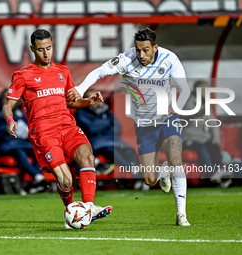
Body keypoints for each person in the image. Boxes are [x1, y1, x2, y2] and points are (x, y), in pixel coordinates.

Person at [67, 28, 191, 226]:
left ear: (155, 48)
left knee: (176, 158)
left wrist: (177, 107)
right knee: (150, 180)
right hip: (144, 125)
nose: (141, 55)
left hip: (168, 118)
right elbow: (100, 71)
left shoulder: (169, 58)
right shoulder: (126, 60)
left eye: (145, 50)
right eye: (138, 50)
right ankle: (163, 170)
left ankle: (181, 215)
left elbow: (185, 89)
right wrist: (81, 89)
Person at [2, 29, 113, 227]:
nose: (46, 54)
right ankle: (70, 211)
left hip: (66, 125)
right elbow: (7, 104)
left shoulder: (63, 71)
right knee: (66, 180)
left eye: (49, 48)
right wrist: (10, 119)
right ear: (32, 50)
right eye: (41, 50)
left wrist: (89, 101)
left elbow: (72, 102)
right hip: (43, 131)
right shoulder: (23, 75)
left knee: (87, 155)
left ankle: (88, 207)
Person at [0, 89, 46, 193]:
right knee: (19, 152)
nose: (8, 101)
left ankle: (36, 182)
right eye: (6, 99)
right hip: (3, 144)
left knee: (38, 150)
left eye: (11, 99)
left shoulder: (19, 112)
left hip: (20, 142)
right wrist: (4, 130)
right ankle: (38, 178)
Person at [74, 89, 139, 173]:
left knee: (129, 150)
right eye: (93, 98)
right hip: (95, 142)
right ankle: (134, 171)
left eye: (98, 98)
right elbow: (91, 128)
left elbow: (117, 127)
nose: (97, 101)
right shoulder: (81, 113)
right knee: (112, 151)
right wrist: (106, 124)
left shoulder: (105, 111)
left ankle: (136, 175)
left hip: (112, 139)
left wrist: (103, 129)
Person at [182, 81, 222, 180]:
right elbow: (185, 116)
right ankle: (211, 174)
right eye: (206, 90)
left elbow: (212, 122)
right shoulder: (188, 101)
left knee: (214, 147)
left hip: (203, 138)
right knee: (201, 149)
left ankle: (218, 172)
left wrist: (215, 138)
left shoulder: (207, 103)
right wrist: (200, 111)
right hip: (189, 138)